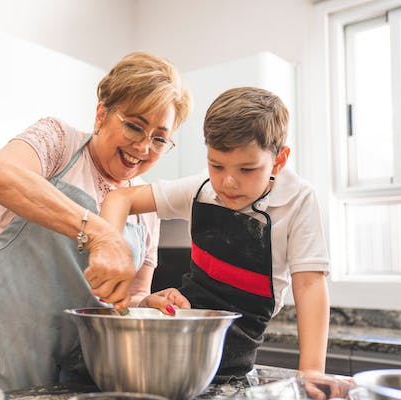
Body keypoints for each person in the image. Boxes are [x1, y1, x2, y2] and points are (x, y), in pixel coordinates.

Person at [0, 52, 192, 399]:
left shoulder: (145, 209)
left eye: (158, 138)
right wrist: (98, 233)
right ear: (101, 114)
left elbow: (127, 300)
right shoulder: (59, 142)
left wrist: (148, 304)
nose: (143, 147)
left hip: (66, 383)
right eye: (134, 126)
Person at [100, 87, 332, 394]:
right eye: (216, 165)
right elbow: (120, 198)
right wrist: (109, 248)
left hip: (240, 348)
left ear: (279, 160)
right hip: (183, 336)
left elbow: (310, 285)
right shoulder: (202, 189)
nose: (227, 182)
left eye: (247, 169)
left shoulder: (298, 200)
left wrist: (312, 373)